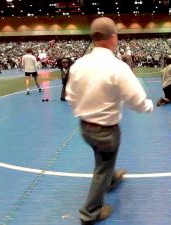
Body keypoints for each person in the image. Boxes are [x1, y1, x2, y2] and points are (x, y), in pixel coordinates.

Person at [65, 17, 153, 225]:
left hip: (86, 128)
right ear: (113, 38)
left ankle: (111, 177)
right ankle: (90, 212)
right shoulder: (117, 67)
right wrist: (148, 106)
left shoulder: (79, 64)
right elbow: (137, 100)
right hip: (106, 130)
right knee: (103, 162)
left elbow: (70, 96)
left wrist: (87, 112)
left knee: (102, 155)